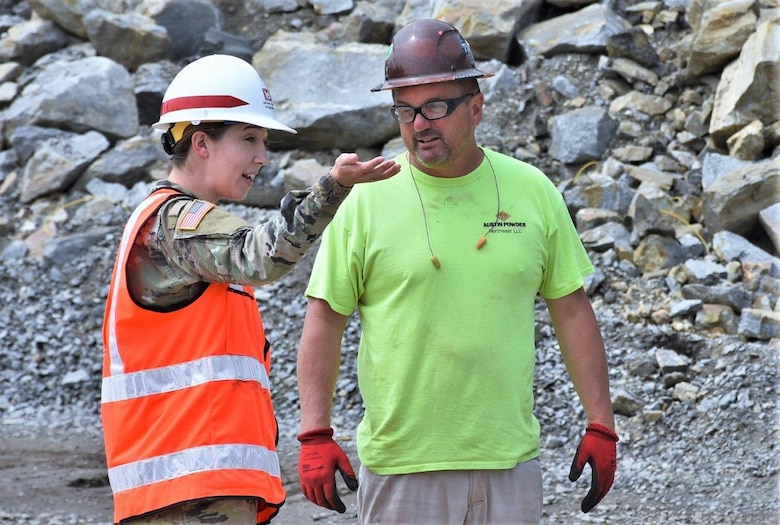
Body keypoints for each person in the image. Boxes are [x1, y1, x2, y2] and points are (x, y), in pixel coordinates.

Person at [295, 19, 618, 524]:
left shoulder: (532, 191)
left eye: (437, 106)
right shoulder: (365, 200)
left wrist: (601, 422)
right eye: (406, 108)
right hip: (403, 470)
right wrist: (315, 432)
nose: (420, 123)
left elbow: (572, 310)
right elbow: (325, 318)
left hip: (509, 466)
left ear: (476, 107)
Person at [100, 53, 400, 525]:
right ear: (201, 142)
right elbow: (259, 254)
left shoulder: (186, 229)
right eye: (249, 139)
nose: (262, 156)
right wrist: (332, 188)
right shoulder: (176, 223)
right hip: (189, 492)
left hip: (199, 489)